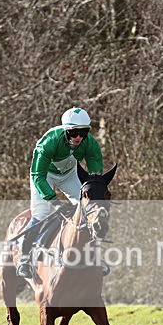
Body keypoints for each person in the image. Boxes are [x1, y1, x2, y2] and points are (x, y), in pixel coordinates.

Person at [16, 107, 105, 278]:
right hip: (44, 176)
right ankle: (24, 258)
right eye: (74, 133)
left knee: (87, 210)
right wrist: (54, 201)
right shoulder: (49, 142)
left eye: (83, 132)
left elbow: (94, 168)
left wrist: (93, 187)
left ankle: (96, 257)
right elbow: (38, 176)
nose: (78, 137)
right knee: (41, 212)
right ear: (65, 131)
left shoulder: (90, 143)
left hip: (69, 175)